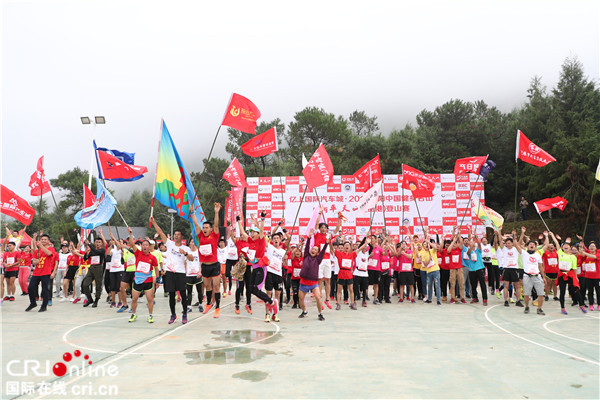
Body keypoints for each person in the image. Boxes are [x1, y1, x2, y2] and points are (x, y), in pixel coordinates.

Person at [237, 212, 278, 322]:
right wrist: (239, 222)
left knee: (256, 290)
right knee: (251, 290)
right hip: (254, 268)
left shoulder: (260, 240)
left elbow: (261, 231)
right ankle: (269, 301)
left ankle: (270, 302)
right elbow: (242, 233)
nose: (252, 234)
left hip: (261, 268)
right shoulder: (250, 240)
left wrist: (262, 218)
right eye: (251, 232)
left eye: (254, 232)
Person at [152, 216, 194, 324]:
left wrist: (184, 253)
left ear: (181, 236)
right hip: (170, 272)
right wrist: (154, 222)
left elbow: (191, 259)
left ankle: (184, 313)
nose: (175, 236)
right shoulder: (170, 244)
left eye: (178, 235)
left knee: (183, 295)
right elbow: (160, 232)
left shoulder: (186, 248)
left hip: (180, 273)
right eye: (175, 235)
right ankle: (173, 315)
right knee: (171, 295)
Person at [191, 203, 223, 319]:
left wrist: (216, 212)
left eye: (206, 228)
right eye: (203, 227)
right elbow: (195, 223)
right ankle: (209, 303)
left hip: (214, 265)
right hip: (205, 266)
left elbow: (216, 224)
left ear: (210, 229)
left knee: (216, 287)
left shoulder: (214, 236)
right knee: (207, 287)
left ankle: (217, 308)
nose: (204, 229)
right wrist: (192, 212)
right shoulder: (200, 236)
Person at [125, 228, 159, 323]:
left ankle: (150, 315)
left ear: (149, 247)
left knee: (149, 299)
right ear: (141, 246)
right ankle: (133, 314)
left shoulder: (153, 258)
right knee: (134, 299)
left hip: (148, 281)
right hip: (137, 281)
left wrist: (157, 280)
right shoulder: (138, 253)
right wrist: (130, 233)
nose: (144, 246)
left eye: (146, 245)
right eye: (143, 245)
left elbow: (156, 269)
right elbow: (132, 243)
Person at [313, 211, 342, 310]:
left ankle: (327, 299)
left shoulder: (329, 236)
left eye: (325, 227)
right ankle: (320, 299)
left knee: (328, 280)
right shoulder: (317, 234)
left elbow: (337, 229)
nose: (323, 229)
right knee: (320, 280)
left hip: (327, 260)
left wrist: (339, 218)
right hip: (319, 260)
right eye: (322, 227)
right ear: (320, 229)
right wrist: (319, 213)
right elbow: (316, 224)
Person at [298, 230, 329, 321]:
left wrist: (326, 243)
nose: (313, 250)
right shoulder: (306, 256)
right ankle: (304, 311)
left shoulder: (318, 259)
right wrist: (309, 237)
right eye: (313, 249)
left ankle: (320, 314)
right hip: (303, 282)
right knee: (300, 298)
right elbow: (307, 247)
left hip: (313, 283)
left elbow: (323, 251)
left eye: (316, 250)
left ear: (317, 253)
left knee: (318, 298)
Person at [514, 228, 545, 315]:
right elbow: (516, 245)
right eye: (530, 244)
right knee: (527, 294)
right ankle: (527, 307)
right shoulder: (524, 253)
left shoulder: (538, 255)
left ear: (535, 247)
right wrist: (518, 235)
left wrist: (543, 277)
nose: (532, 245)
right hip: (527, 276)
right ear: (527, 246)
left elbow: (541, 267)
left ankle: (539, 308)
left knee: (541, 294)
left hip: (537, 276)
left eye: (533, 244)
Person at [332, 236, 367, 311]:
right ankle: (338, 303)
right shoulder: (339, 254)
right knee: (339, 290)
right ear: (343, 247)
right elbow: (332, 249)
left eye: (348, 245)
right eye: (345, 245)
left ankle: (352, 303)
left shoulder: (352, 254)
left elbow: (360, 248)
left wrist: (365, 244)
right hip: (341, 273)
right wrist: (328, 241)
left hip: (349, 274)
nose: (347, 247)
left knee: (351, 289)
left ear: (350, 247)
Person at [26, 233, 58, 312]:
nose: (43, 241)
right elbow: (33, 261)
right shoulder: (37, 251)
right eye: (42, 239)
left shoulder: (51, 249)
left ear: (48, 241)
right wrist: (35, 262)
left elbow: (49, 253)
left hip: (46, 272)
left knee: (44, 289)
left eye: (45, 239)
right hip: (37, 272)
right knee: (30, 288)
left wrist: (41, 246)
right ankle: (33, 303)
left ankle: (44, 306)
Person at [496, 228, 524, 308]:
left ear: (512, 243)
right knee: (506, 286)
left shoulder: (515, 249)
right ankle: (506, 300)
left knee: (517, 286)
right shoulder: (504, 249)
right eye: (506, 243)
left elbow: (518, 242)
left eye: (509, 243)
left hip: (515, 269)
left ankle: (518, 301)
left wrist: (515, 235)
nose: (507, 244)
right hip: (506, 269)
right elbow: (500, 241)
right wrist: (500, 231)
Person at [265, 229, 286, 322]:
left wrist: (285, 259)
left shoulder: (283, 251)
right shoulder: (269, 247)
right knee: (268, 295)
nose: (276, 240)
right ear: (272, 240)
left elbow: (285, 262)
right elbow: (263, 237)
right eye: (274, 238)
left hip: (278, 274)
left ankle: (275, 314)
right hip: (270, 273)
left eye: (278, 238)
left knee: (277, 296)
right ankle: (267, 314)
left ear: (280, 240)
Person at [80, 236, 106, 308]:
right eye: (96, 242)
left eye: (99, 242)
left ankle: (96, 300)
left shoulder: (102, 250)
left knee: (98, 285)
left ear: (101, 244)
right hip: (91, 268)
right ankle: (90, 299)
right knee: (85, 284)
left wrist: (89, 245)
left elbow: (97, 251)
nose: (97, 243)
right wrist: (86, 252)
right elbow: (86, 258)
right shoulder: (92, 251)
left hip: (98, 268)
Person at [467, 228, 488, 306]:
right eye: (470, 243)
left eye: (472, 242)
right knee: (473, 285)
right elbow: (468, 251)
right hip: (472, 270)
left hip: (479, 269)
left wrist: (476, 236)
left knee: (482, 284)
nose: (471, 243)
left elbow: (479, 244)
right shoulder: (469, 251)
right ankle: (475, 298)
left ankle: (485, 299)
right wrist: (470, 246)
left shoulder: (478, 250)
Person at [578, 241, 600, 311]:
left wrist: (584, 252)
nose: (592, 247)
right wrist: (581, 247)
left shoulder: (598, 253)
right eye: (590, 246)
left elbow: (593, 256)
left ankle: (599, 304)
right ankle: (591, 304)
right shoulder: (586, 255)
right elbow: (582, 254)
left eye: (593, 246)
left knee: (598, 291)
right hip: (588, 276)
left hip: (597, 277)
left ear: (596, 248)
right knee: (590, 291)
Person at [447, 227, 466, 304]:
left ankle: (462, 298)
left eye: (455, 244)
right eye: (453, 244)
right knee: (452, 284)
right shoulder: (450, 250)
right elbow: (448, 250)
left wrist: (459, 233)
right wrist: (453, 241)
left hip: (459, 269)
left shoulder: (459, 249)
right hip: (452, 269)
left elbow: (461, 243)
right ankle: (452, 297)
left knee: (461, 284)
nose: (454, 245)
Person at [421, 236, 441, 305]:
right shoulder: (423, 254)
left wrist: (428, 241)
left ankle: (438, 300)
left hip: (436, 270)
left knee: (437, 285)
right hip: (429, 271)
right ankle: (429, 299)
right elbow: (425, 263)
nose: (426, 245)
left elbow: (435, 247)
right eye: (424, 244)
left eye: (427, 244)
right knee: (429, 286)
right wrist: (429, 259)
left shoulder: (432, 250)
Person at [185, 240, 203, 313]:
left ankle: (201, 305)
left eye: (194, 242)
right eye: (192, 242)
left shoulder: (199, 252)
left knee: (199, 291)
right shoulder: (187, 252)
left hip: (197, 274)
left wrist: (200, 272)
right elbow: (184, 262)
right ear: (189, 244)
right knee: (189, 292)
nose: (193, 243)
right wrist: (185, 271)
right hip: (189, 275)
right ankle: (189, 307)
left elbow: (201, 263)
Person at [353, 237, 370, 307]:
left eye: (365, 247)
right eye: (363, 246)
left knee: (364, 288)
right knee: (355, 287)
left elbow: (371, 247)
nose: (364, 248)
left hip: (365, 274)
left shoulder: (367, 254)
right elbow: (360, 246)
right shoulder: (358, 252)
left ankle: (364, 301)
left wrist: (369, 242)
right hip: (357, 272)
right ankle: (354, 300)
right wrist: (365, 238)